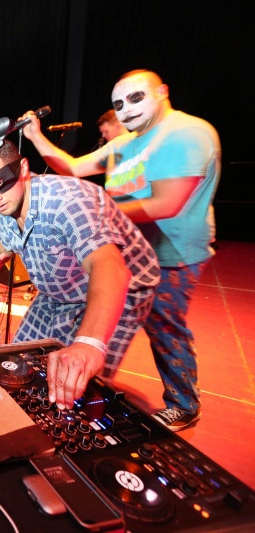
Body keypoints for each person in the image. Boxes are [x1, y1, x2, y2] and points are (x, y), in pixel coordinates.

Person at [21, 69, 220, 431]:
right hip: (127, 251)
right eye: (118, 103)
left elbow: (166, 203)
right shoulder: (126, 143)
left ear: (162, 92)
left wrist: (95, 214)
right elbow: (73, 168)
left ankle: (184, 404)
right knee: (99, 321)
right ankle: (79, 394)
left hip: (170, 255)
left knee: (163, 328)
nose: (126, 109)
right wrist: (35, 136)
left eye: (135, 98)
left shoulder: (187, 133)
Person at [0, 139, 160, 412]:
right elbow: (4, 240)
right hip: (58, 291)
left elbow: (110, 268)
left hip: (119, 287)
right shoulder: (7, 206)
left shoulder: (67, 203)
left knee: (75, 382)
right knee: (18, 362)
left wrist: (88, 344)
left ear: (23, 168)